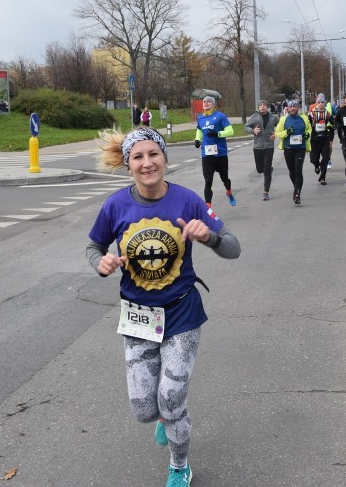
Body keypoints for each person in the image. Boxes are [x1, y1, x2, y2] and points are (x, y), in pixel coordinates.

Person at [86, 127, 241, 487]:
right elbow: (93, 247)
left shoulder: (189, 201)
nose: (147, 163)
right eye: (137, 157)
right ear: (128, 166)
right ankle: (162, 417)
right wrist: (101, 262)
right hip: (138, 317)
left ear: (165, 159)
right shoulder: (115, 206)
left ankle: (179, 465)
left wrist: (210, 237)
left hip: (182, 312)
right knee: (144, 409)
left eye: (153, 154)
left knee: (171, 401)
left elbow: (233, 247)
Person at [195, 96, 236, 207]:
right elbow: (199, 130)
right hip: (207, 154)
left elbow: (230, 131)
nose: (206, 103)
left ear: (213, 105)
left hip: (220, 154)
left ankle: (229, 191)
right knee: (208, 181)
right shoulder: (200, 118)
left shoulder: (220, 116)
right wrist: (197, 140)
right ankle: (208, 208)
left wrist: (218, 134)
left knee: (225, 178)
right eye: (204, 101)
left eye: (208, 102)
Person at [275, 100, 312, 205]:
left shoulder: (304, 118)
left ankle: (297, 194)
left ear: (298, 108)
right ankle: (296, 187)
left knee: (298, 171)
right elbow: (277, 133)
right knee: (292, 172)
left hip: (300, 148)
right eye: (290, 107)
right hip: (288, 149)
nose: (292, 109)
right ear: (287, 108)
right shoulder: (283, 119)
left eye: (294, 107)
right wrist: (286, 132)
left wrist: (307, 135)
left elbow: (309, 129)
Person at [244, 100, 279, 201]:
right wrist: (253, 130)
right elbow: (246, 127)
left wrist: (276, 133)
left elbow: (280, 125)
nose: (262, 107)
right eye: (260, 105)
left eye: (264, 105)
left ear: (267, 107)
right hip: (258, 146)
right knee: (260, 169)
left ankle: (266, 192)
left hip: (269, 146)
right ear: (258, 108)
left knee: (266, 170)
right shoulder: (254, 117)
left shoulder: (273, 117)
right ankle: (268, 168)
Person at [308, 98, 335, 185]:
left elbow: (334, 123)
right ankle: (316, 165)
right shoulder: (312, 113)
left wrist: (333, 127)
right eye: (318, 102)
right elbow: (307, 124)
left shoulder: (327, 113)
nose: (320, 104)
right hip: (314, 139)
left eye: (322, 102)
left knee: (326, 158)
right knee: (313, 159)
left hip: (324, 139)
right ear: (316, 104)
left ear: (325, 104)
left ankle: (322, 177)